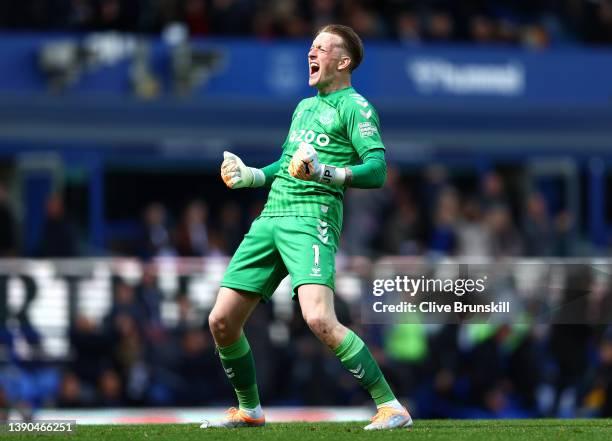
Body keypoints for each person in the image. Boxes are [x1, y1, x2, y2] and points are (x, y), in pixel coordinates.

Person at [205, 24, 412, 430]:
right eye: (311, 46)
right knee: (221, 322)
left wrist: (325, 172)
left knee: (318, 319)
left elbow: (377, 171)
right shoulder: (303, 107)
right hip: (271, 218)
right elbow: (286, 166)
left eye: (320, 47)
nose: (310, 52)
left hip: (311, 218)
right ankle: (250, 410)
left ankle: (391, 407)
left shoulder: (356, 106)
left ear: (343, 60)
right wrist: (251, 176)